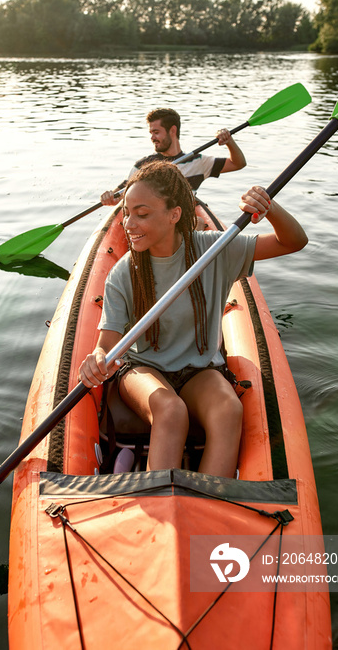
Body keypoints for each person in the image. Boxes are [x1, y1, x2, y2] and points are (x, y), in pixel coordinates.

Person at [79, 161, 307, 479]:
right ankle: (159, 503)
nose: (129, 223)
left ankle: (212, 507)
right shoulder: (124, 272)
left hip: (199, 370)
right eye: (127, 212)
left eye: (141, 214)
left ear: (174, 214)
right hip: (142, 368)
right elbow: (107, 344)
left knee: (229, 410)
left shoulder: (215, 250)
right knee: (170, 410)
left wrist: (269, 207)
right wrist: (98, 359)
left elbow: (293, 241)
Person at [100, 107, 246, 206]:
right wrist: (109, 197)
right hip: (154, 225)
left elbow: (238, 164)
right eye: (151, 133)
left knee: (199, 223)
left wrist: (229, 142)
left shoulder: (198, 162)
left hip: (184, 222)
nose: (152, 137)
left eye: (156, 132)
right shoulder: (143, 166)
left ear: (172, 130)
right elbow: (120, 195)